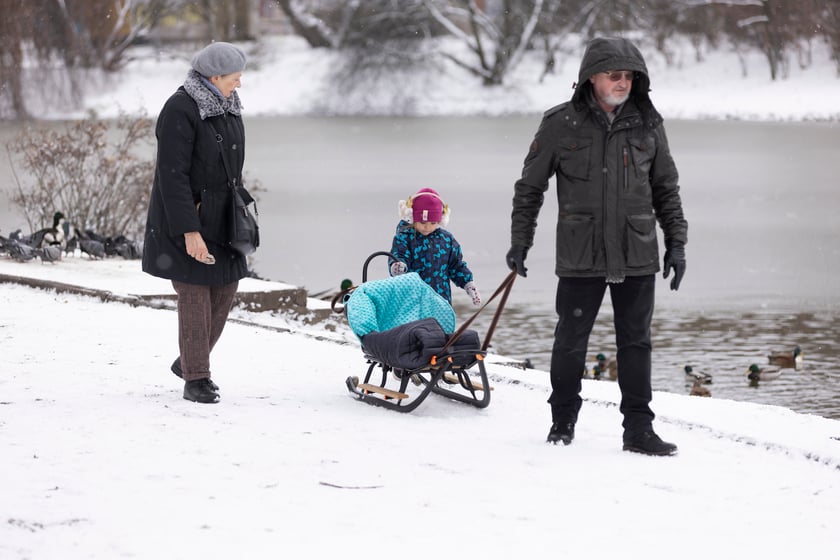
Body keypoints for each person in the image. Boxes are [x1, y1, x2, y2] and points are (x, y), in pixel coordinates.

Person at [506, 37, 687, 456]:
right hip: (579, 254)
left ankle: (639, 431)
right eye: (614, 75)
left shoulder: (648, 124)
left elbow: (667, 189)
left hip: (637, 252)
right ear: (592, 77)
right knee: (570, 342)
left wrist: (676, 243)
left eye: (628, 76)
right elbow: (529, 189)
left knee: (636, 343)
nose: (622, 83)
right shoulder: (560, 123)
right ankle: (562, 422)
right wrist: (521, 241)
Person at [142, 41, 250, 404]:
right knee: (194, 294)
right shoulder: (180, 109)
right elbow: (171, 176)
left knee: (226, 286)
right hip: (186, 216)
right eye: (234, 78)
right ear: (214, 76)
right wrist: (190, 231)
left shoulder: (228, 105)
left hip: (225, 217)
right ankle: (196, 378)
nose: (239, 84)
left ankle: (189, 359)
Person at [389, 188, 481, 306]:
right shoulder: (404, 237)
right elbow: (399, 255)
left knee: (439, 324)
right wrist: (397, 266)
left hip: (440, 300)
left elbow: (456, 266)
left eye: (433, 223)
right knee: (416, 324)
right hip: (411, 301)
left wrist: (468, 284)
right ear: (412, 218)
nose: (427, 227)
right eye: (422, 223)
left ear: (440, 220)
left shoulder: (446, 240)